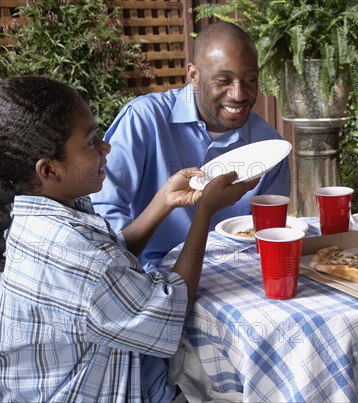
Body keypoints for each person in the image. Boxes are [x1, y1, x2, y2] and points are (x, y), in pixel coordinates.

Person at [0, 76, 256, 401]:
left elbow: (112, 260)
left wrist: (163, 200)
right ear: (50, 170)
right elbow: (168, 313)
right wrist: (205, 211)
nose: (105, 147)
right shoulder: (75, 254)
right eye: (91, 141)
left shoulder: (35, 217)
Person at [90, 21, 291, 270]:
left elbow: (268, 233)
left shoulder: (270, 146)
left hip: (237, 276)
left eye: (250, 80)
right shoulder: (143, 120)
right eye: (223, 81)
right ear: (193, 75)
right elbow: (103, 217)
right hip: (147, 276)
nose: (239, 94)